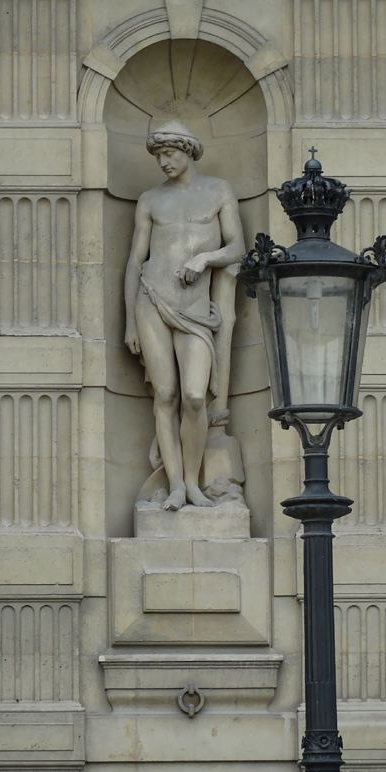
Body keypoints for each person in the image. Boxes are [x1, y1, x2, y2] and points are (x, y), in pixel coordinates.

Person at [124, 122, 245, 510]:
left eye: (169, 154)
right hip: (152, 299)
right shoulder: (149, 200)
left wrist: (206, 258)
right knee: (165, 394)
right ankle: (176, 485)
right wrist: (129, 319)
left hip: (195, 308)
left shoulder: (218, 191)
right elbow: (134, 261)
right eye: (158, 156)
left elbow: (237, 246)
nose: (163, 162)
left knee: (195, 397)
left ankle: (193, 482)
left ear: (188, 151)